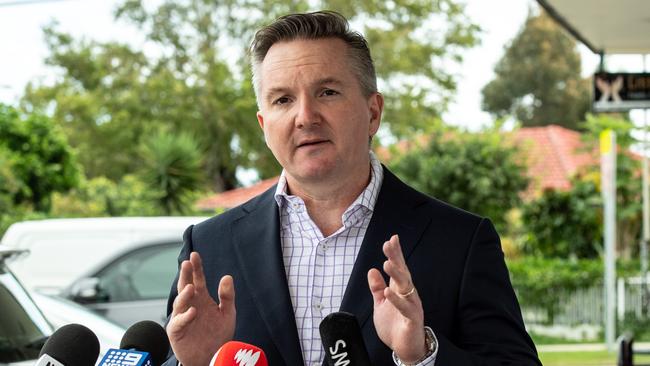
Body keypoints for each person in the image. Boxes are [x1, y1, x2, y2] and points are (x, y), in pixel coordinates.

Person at [164, 11, 541, 366]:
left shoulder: (459, 240)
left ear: (373, 112)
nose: (305, 116)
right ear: (264, 125)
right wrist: (193, 363)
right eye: (283, 100)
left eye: (327, 92)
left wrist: (421, 353)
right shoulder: (209, 246)